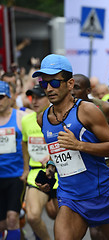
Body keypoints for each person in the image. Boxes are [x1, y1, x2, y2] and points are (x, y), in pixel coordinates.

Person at [33, 54, 109, 240]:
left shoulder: (87, 110)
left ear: (69, 84)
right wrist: (51, 169)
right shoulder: (42, 118)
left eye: (54, 82)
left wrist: (79, 145)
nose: (49, 89)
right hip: (70, 198)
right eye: (44, 84)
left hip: (102, 195)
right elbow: (59, 151)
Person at [22, 85, 59, 240]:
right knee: (33, 216)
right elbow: (24, 142)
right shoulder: (26, 121)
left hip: (60, 174)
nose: (35, 101)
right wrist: (25, 169)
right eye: (32, 98)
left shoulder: (58, 118)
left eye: (39, 97)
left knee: (57, 216)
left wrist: (52, 157)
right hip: (36, 173)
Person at [0, 81, 28, 240]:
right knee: (2, 224)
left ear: (9, 97)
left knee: (12, 218)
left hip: (16, 176)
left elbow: (31, 144)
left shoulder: (22, 117)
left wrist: (27, 170)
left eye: (1, 97)